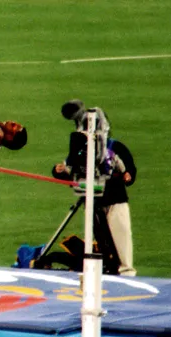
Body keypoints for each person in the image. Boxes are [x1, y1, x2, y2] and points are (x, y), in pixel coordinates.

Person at [52, 99, 137, 276]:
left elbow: (129, 168)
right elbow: (72, 168)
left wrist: (127, 174)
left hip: (115, 200)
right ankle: (109, 270)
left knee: (122, 240)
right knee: (103, 242)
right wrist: (59, 170)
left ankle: (127, 275)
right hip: (93, 200)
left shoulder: (114, 146)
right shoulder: (82, 148)